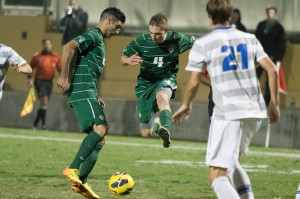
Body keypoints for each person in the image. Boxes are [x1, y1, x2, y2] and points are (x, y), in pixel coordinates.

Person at [172, 0, 279, 198]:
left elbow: (194, 82)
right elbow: (271, 70)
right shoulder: (250, 38)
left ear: (209, 16)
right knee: (231, 164)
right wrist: (274, 104)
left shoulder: (203, 43)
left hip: (228, 113)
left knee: (216, 175)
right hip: (254, 111)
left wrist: (186, 104)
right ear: (231, 15)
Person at [57, 7, 126, 199]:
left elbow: (88, 70)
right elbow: (68, 47)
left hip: (88, 93)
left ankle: (81, 183)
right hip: (81, 92)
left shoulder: (99, 42)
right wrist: (64, 77)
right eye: (117, 27)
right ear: (109, 21)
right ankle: (73, 168)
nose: (117, 31)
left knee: (100, 138)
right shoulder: (94, 35)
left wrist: (95, 96)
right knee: (101, 128)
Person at [120, 12, 196, 148]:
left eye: (157, 34)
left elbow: (196, 43)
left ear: (166, 31)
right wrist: (127, 60)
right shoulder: (141, 41)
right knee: (145, 132)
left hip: (166, 79)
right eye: (151, 33)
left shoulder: (176, 39)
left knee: (162, 97)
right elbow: (123, 57)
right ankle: (158, 124)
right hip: (145, 84)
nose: (153, 37)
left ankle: (165, 128)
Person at [28, 38, 62, 130]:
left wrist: (64, 80)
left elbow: (60, 70)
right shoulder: (37, 56)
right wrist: (30, 78)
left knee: (43, 104)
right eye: (45, 44)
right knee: (44, 100)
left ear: (51, 45)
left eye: (49, 44)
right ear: (42, 45)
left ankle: (35, 124)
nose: (47, 45)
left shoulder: (55, 57)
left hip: (49, 83)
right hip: (39, 82)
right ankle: (43, 125)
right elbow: (29, 68)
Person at [255, 6, 285, 106]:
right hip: (260, 57)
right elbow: (256, 39)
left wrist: (275, 56)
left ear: (275, 14)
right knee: (255, 77)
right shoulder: (261, 25)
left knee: (270, 80)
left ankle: (267, 101)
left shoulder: (279, 28)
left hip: (272, 58)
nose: (270, 15)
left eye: (272, 13)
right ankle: (254, 97)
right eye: (269, 13)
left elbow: (281, 44)